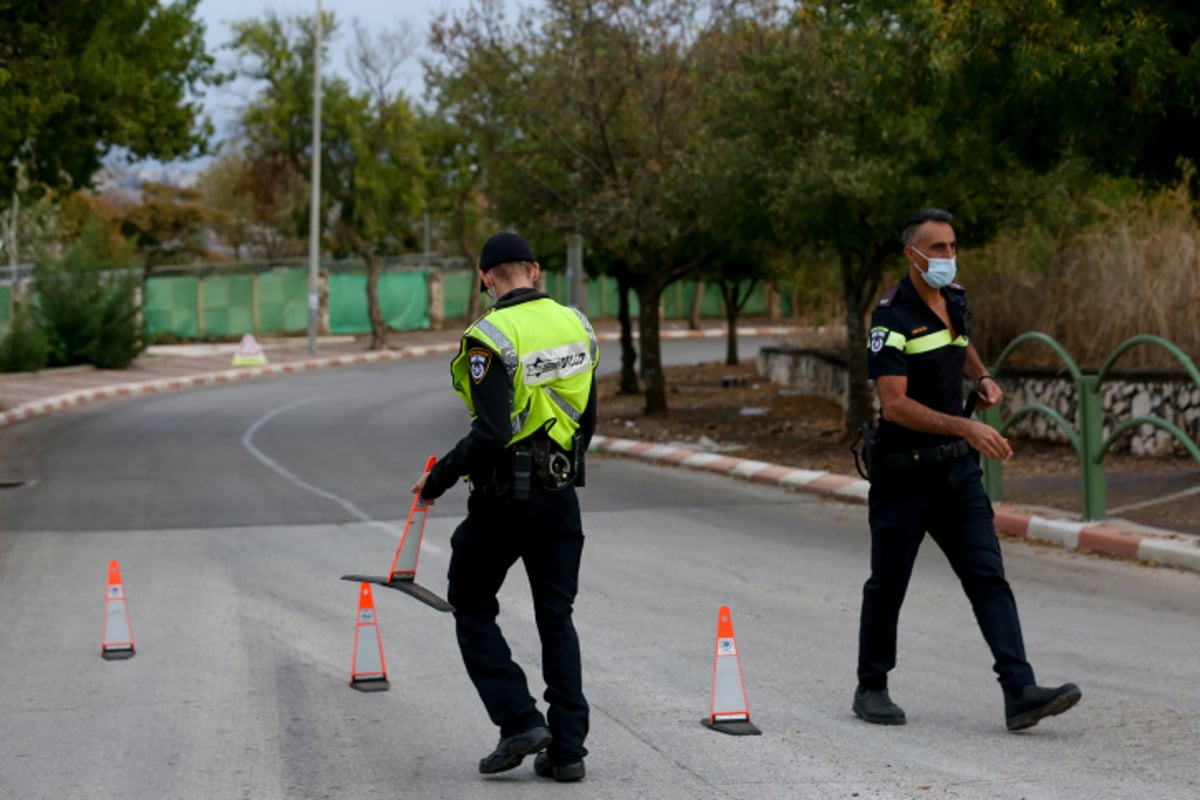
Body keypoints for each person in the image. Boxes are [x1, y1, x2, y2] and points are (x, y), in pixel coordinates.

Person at [853, 207, 1081, 732]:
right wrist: (965, 426)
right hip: (903, 476)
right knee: (888, 585)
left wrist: (983, 378)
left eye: (953, 247)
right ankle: (872, 687)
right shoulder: (890, 317)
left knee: (988, 578)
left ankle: (1020, 692)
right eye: (937, 249)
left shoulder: (954, 298)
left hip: (956, 476)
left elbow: (961, 343)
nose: (949, 258)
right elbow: (895, 406)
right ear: (913, 254)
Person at [411, 231, 598, 781]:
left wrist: (436, 479)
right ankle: (567, 752)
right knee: (556, 618)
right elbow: (586, 419)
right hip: (560, 497)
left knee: (469, 603)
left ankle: (518, 720)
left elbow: (491, 433)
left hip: (502, 501)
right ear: (535, 270)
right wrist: (559, 464)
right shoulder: (577, 325)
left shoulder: (489, 336)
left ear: (485, 277)